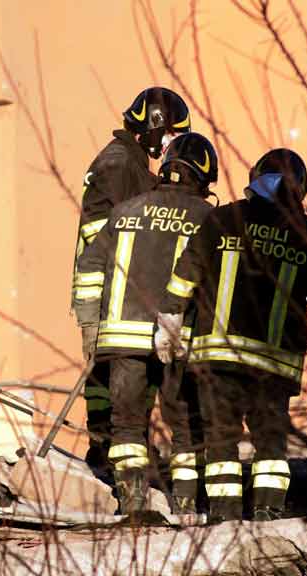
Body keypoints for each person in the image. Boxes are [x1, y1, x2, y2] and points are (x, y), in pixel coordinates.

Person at [156, 149, 307, 522]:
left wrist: (170, 320)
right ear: (300, 189)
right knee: (271, 446)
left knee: (221, 442)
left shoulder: (223, 219)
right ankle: (267, 514)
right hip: (274, 367)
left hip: (218, 358)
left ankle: (223, 521)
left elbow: (186, 272)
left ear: (255, 178)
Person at [73, 132, 217, 516]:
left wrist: (89, 324)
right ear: (203, 179)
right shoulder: (208, 218)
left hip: (120, 339)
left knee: (127, 428)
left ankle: (133, 504)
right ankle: (187, 509)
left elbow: (89, 267)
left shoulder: (125, 212)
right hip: (177, 341)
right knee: (186, 430)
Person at [72, 87, 191, 480]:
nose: (172, 143)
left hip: (120, 291)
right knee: (113, 378)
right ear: (154, 127)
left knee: (128, 379)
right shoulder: (120, 166)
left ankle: (123, 451)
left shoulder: (132, 162)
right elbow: (112, 235)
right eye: (171, 133)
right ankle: (109, 454)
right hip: (114, 293)